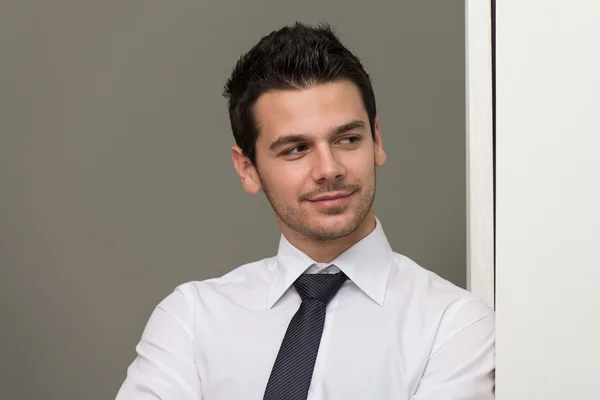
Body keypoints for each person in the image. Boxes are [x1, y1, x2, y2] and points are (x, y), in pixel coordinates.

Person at [115, 22, 495, 400]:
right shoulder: (191, 320)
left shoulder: (456, 324)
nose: (329, 168)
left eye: (347, 139)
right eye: (296, 149)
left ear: (376, 140)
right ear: (247, 168)